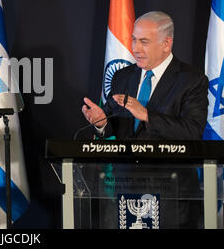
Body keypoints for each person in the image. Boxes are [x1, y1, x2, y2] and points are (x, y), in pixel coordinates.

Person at [81, 11, 209, 228]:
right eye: (133, 39)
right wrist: (102, 123)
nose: (135, 48)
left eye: (144, 42)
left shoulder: (191, 80)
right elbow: (118, 124)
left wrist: (147, 115)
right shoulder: (123, 77)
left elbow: (192, 132)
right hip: (124, 190)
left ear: (166, 44)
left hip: (172, 194)